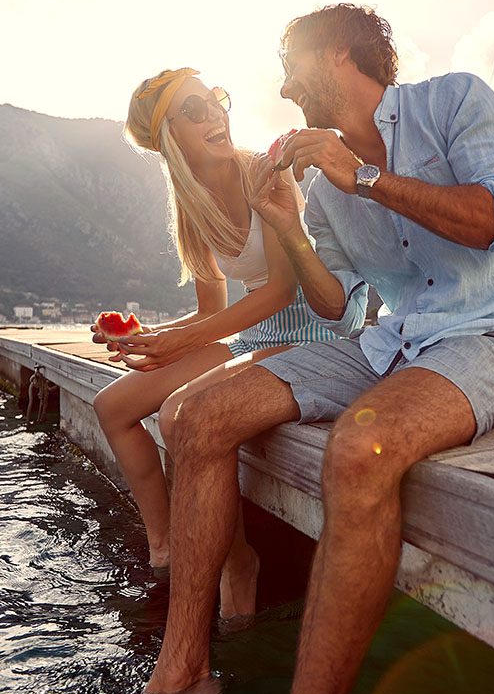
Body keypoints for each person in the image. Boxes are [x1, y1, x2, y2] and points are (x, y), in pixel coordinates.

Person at [137, 4, 494, 694]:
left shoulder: (453, 101)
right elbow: (338, 306)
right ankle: (180, 674)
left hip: (492, 337)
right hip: (387, 343)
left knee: (358, 451)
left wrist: (362, 175)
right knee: (195, 418)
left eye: (290, 68)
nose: (284, 91)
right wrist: (292, 230)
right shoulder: (322, 185)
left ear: (336, 52)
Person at [90, 68, 349, 623]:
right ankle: (165, 549)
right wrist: (147, 337)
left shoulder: (264, 174)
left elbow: (282, 291)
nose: (216, 114)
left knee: (180, 415)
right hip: (254, 331)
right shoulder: (193, 205)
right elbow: (212, 312)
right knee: (111, 405)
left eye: (216, 100)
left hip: (315, 325)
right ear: (170, 139)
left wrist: (181, 341)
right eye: (195, 110)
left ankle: (238, 565)